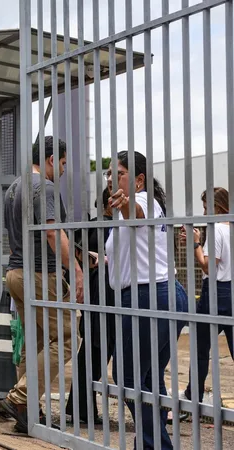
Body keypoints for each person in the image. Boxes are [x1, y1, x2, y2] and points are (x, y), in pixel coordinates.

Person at [0, 136, 84, 433]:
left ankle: (26, 409)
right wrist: (75, 267)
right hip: (39, 275)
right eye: (61, 163)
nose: (62, 170)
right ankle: (20, 396)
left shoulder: (14, 188)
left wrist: (81, 254)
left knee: (34, 342)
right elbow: (50, 231)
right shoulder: (44, 187)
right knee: (69, 335)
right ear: (49, 160)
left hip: (17, 273)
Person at [107, 150, 188, 450]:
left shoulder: (142, 200)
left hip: (148, 296)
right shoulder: (136, 207)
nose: (111, 178)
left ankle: (158, 445)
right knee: (149, 377)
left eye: (120, 173)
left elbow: (135, 213)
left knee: (127, 377)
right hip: (162, 293)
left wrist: (127, 204)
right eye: (108, 173)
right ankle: (150, 443)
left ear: (138, 180)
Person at [65, 188, 116, 425]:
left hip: (91, 293)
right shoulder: (111, 227)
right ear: (110, 203)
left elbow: (74, 254)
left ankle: (80, 407)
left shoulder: (88, 227)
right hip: (108, 295)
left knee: (91, 351)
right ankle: (81, 408)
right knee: (98, 352)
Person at [180, 188, 232, 404]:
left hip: (215, 292)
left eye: (205, 206)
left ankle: (194, 396)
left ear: (216, 206)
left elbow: (209, 266)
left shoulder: (217, 228)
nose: (204, 212)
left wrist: (196, 244)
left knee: (201, 349)